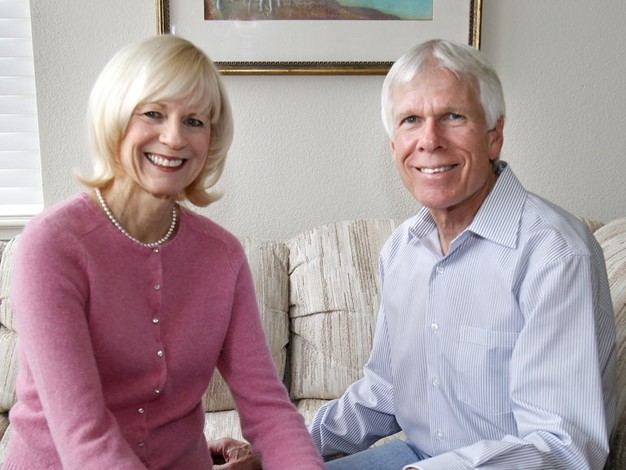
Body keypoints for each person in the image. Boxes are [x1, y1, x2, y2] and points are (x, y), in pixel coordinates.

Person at [210, 39, 617, 469]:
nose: (429, 140)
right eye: (410, 120)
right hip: (415, 456)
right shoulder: (402, 250)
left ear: (494, 135)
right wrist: (271, 454)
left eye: (453, 117)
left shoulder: (554, 254)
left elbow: (564, 447)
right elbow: (385, 392)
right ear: (394, 146)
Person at [4, 35, 324, 470]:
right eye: (153, 113)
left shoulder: (222, 255)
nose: (174, 138)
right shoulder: (52, 245)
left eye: (194, 121)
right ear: (115, 117)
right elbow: (85, 437)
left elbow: (268, 409)